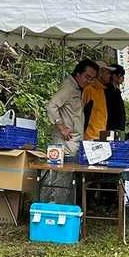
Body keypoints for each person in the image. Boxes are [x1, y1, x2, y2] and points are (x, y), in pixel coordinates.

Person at [41, 59, 97, 203]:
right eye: (87, 77)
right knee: (59, 180)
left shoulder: (78, 89)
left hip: (72, 142)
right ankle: (52, 209)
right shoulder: (69, 87)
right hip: (64, 143)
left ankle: (60, 208)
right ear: (78, 74)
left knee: (65, 180)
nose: (89, 81)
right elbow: (51, 106)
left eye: (92, 78)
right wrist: (61, 127)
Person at [81, 62, 111, 140]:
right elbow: (81, 112)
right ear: (100, 73)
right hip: (89, 137)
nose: (110, 76)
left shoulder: (102, 90)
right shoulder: (89, 89)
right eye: (107, 73)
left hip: (100, 135)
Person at [105, 64, 127, 133]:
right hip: (111, 129)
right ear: (114, 76)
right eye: (121, 75)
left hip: (118, 128)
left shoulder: (116, 91)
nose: (123, 78)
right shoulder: (108, 91)